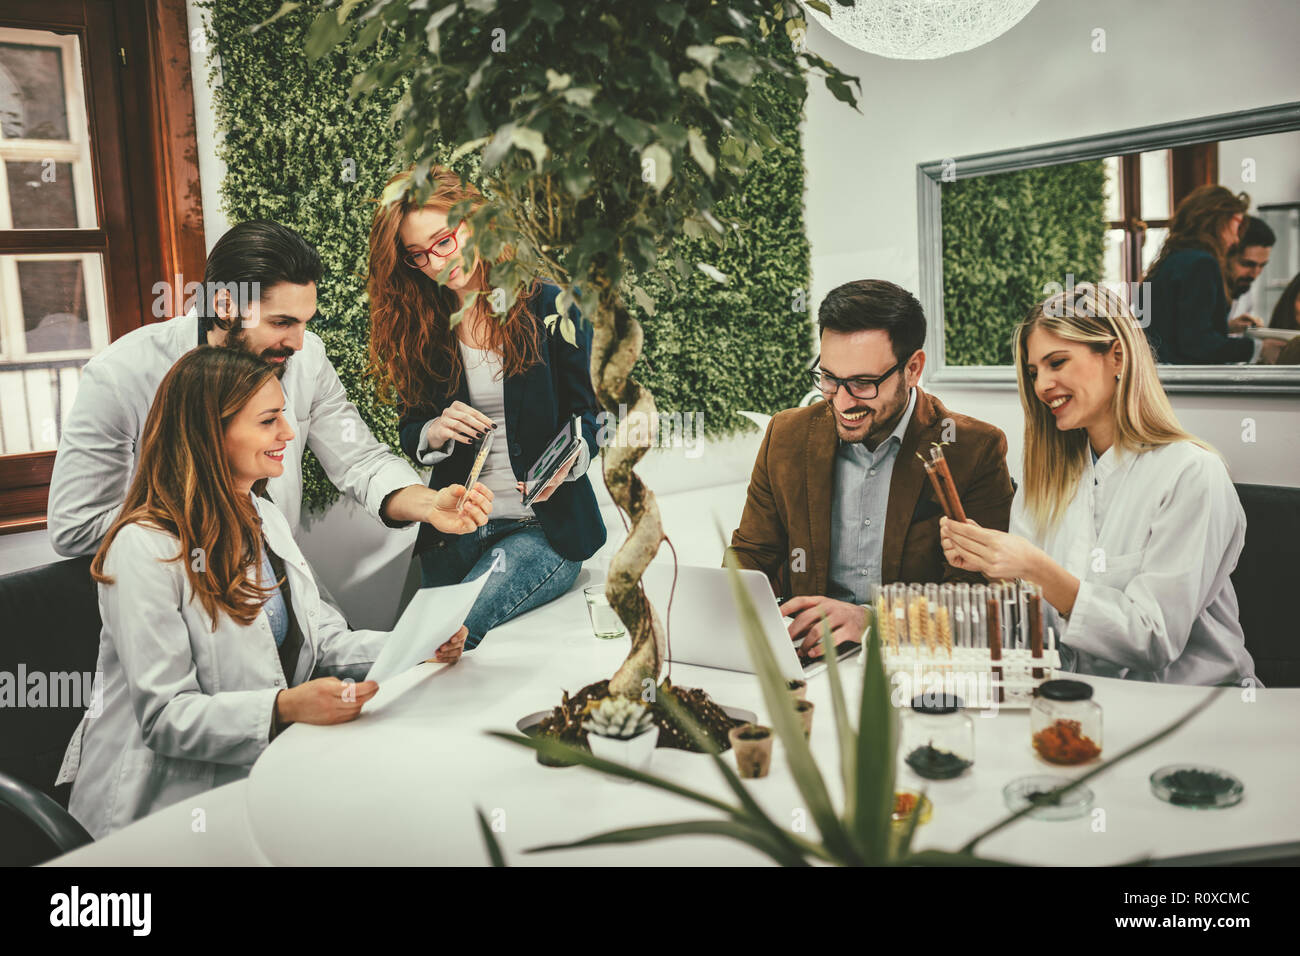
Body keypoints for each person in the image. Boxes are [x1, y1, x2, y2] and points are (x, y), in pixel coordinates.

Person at [57, 348, 485, 838]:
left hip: (265, 775)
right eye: (268, 420)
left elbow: (320, 641)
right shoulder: (143, 548)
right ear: (209, 433)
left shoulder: (262, 515)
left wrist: (413, 645)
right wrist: (283, 709)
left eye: (284, 414)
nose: (288, 432)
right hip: (164, 812)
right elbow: (166, 717)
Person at [48, 220, 489, 560]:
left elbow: (359, 458)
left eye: (304, 323)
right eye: (281, 323)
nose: (298, 343)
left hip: (281, 583)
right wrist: (221, 520)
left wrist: (428, 504)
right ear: (223, 304)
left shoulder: (304, 356)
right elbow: (77, 527)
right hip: (179, 596)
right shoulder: (121, 375)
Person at [940, 283, 1256, 686]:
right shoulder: (1046, 482)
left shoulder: (1191, 474)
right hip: (1085, 699)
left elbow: (1153, 640)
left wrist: (1037, 569)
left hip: (1194, 707)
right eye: (1035, 372)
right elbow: (1042, 640)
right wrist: (1003, 576)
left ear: (1116, 356)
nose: (1041, 386)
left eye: (1058, 362)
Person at [367, 166, 606, 650]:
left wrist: (568, 461)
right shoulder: (421, 324)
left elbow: (597, 418)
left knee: (453, 632)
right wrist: (434, 430)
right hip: (455, 526)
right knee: (412, 641)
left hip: (543, 530)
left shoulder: (552, 306)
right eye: (418, 255)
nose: (436, 262)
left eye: (445, 241)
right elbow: (412, 430)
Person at [727, 279, 1015, 659]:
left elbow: (978, 603)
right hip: (808, 663)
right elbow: (750, 561)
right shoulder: (786, 435)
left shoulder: (973, 450)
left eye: (863, 383)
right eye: (829, 378)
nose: (842, 402)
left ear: (912, 369)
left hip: (916, 668)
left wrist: (871, 623)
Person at [1140, 186, 1284, 365]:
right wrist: (1257, 349)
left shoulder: (1168, 261)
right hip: (1185, 383)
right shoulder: (1202, 264)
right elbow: (1196, 344)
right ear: (1218, 221)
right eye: (1237, 225)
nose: (1236, 240)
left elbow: (1173, 329)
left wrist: (1226, 327)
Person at [1226, 215, 1275, 331]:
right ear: (1226, 256)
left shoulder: (1244, 290)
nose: (1255, 274)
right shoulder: (1204, 286)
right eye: (1247, 264)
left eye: (1262, 265)